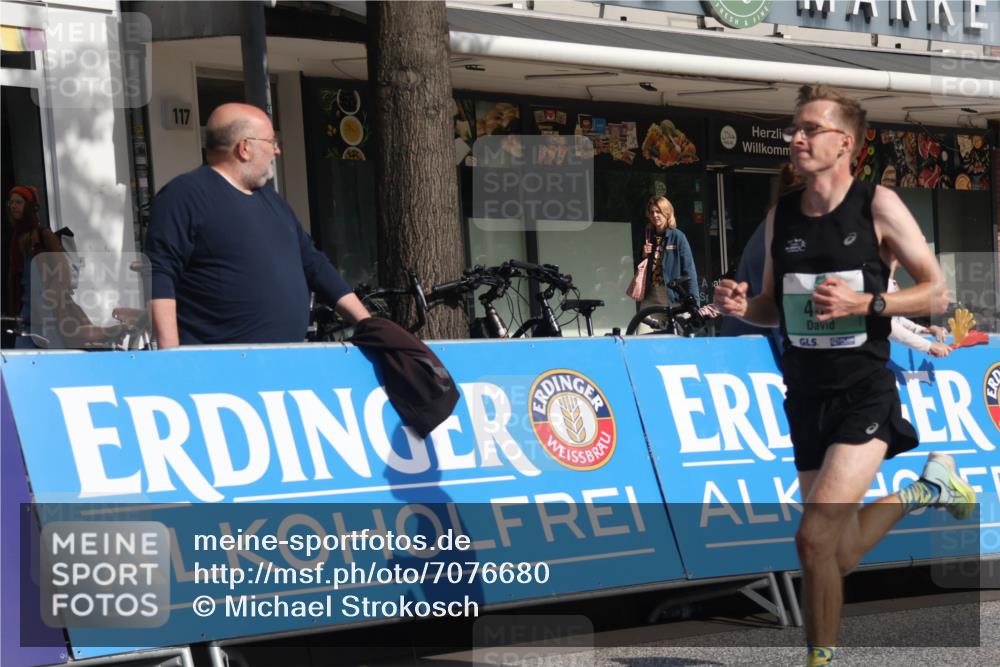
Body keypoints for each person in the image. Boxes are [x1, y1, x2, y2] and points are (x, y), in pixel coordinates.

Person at [714, 85, 973, 667]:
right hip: (805, 394)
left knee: (812, 539)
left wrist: (868, 305)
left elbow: (936, 288)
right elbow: (773, 308)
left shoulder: (876, 205)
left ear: (845, 143)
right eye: (794, 129)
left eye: (811, 129)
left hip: (864, 391)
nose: (797, 138)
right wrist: (741, 307)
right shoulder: (782, 214)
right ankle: (927, 489)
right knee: (830, 551)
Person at [146, 103, 369, 348]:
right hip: (220, 369)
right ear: (245, 148)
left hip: (285, 362)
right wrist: (171, 358)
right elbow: (161, 273)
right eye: (271, 142)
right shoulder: (185, 195)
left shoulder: (272, 201)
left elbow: (314, 264)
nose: (276, 151)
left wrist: (369, 325)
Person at [720, 163, 803, 349]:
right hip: (752, 349)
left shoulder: (772, 228)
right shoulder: (780, 230)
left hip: (748, 343)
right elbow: (775, 308)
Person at [635, 195, 698, 333]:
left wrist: (694, 303)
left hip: (673, 296)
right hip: (651, 296)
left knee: (678, 338)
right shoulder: (647, 236)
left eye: (658, 211)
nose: (654, 215)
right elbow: (639, 267)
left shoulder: (678, 236)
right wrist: (643, 255)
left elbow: (689, 269)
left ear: (667, 212)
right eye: (651, 212)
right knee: (641, 335)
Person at [887, 261, 950, 357]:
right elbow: (887, 325)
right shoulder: (877, 282)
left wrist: (925, 330)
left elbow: (896, 319)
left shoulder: (891, 282)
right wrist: (929, 345)